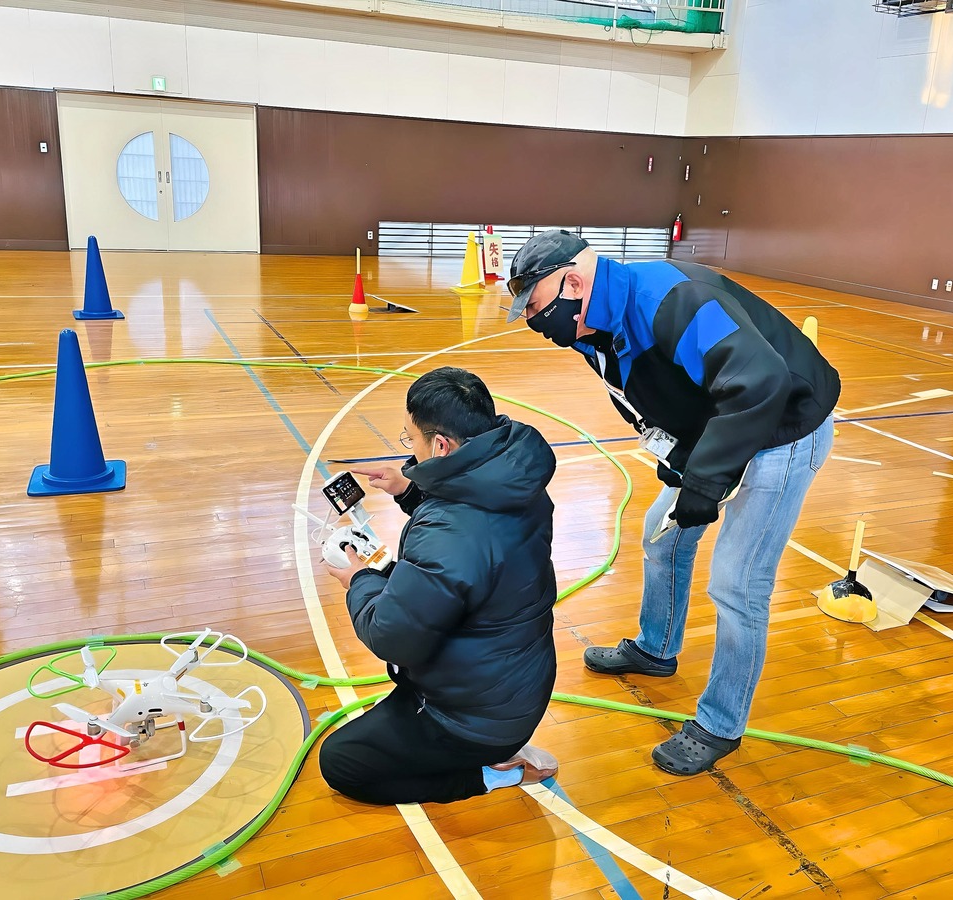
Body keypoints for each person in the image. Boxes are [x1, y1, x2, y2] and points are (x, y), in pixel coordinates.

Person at [506, 229, 840, 775]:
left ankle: (720, 723)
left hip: (782, 430)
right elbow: (649, 391)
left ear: (572, 282)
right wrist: (683, 454)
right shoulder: (595, 323)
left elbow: (757, 383)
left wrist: (705, 484)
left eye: (536, 307)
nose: (532, 322)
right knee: (661, 535)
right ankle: (657, 648)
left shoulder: (672, 298)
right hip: (725, 426)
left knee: (736, 583)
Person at [318, 366, 560, 804]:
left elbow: (392, 637)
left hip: (475, 717)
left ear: (442, 445)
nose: (409, 448)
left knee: (341, 762)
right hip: (513, 684)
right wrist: (409, 490)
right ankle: (484, 744)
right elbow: (476, 541)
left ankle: (492, 774)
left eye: (411, 439)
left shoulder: (448, 533)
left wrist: (359, 581)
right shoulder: (520, 481)